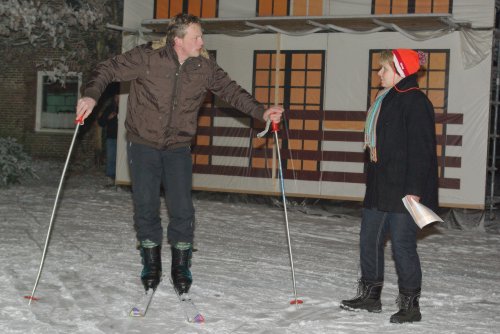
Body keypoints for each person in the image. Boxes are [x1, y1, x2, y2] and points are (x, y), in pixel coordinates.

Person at [75, 13, 283, 297]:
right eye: (196, 36)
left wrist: (261, 111)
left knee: (182, 208)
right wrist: (91, 95)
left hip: (178, 147)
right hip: (143, 143)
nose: (202, 41)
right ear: (177, 40)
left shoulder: (204, 68)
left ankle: (181, 267)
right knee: (146, 205)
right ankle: (151, 265)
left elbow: (232, 92)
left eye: (201, 36)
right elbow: (106, 69)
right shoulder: (147, 58)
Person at [339, 49, 438, 324]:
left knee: (402, 246)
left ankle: (410, 305)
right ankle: (370, 296)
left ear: (400, 70)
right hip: (380, 187)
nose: (379, 74)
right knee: (368, 240)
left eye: (384, 69)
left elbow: (422, 150)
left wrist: (415, 189)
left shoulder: (415, 101)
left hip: (404, 188)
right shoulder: (385, 98)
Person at [97, 93, 119, 183]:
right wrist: (108, 118)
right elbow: (101, 122)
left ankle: (121, 178)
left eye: (120, 96)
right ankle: (110, 177)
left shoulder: (127, 107)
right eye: (117, 96)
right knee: (111, 158)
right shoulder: (110, 108)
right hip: (111, 137)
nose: (118, 98)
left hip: (124, 138)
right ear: (114, 97)